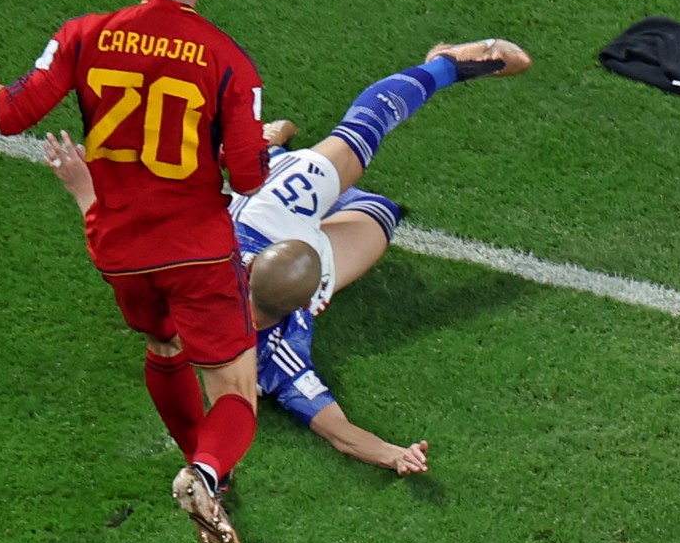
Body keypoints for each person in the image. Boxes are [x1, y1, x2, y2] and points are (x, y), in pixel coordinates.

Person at [41, 37, 532, 477]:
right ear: (307, 300)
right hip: (280, 212)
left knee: (279, 167)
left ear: (252, 266)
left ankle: (270, 150)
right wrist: (390, 452)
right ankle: (274, 150)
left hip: (268, 209)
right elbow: (337, 430)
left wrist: (86, 188)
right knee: (377, 207)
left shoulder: (223, 286)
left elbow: (127, 244)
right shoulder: (279, 353)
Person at [0, 0, 270, 543]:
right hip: (198, 249)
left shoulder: (85, 35)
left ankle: (203, 469)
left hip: (121, 247)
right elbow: (251, 177)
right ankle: (205, 473)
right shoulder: (229, 61)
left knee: (164, 344)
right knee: (236, 388)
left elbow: (9, 113)